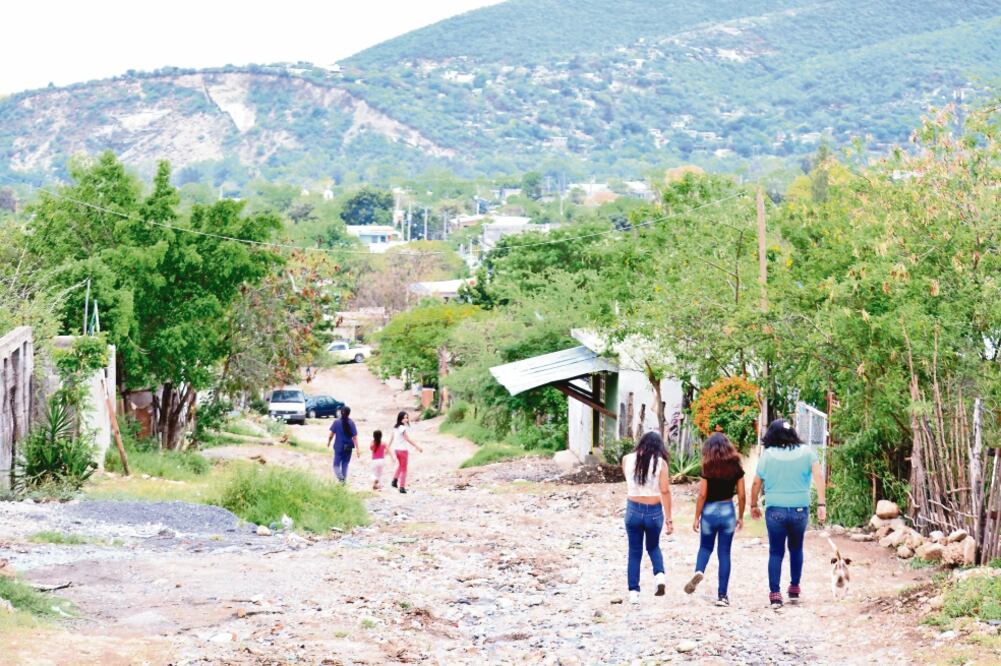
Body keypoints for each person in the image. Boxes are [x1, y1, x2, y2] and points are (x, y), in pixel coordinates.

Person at [750, 418, 827, 608]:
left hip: (775, 510)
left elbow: (756, 483)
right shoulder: (807, 452)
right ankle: (794, 587)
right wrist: (821, 504)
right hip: (800, 509)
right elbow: (818, 476)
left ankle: (775, 594)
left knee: (776, 551)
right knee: (796, 548)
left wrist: (753, 504)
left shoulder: (767, 455)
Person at [683, 431, 745, 607]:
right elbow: (741, 495)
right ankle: (722, 596)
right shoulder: (736, 466)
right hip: (727, 510)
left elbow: (702, 495)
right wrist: (740, 516)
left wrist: (696, 517)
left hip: (709, 511)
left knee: (705, 547)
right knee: (724, 553)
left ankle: (699, 570)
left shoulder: (707, 466)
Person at [621, 431, 674, 605]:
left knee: (634, 552)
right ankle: (659, 577)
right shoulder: (661, 464)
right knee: (653, 546)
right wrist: (669, 518)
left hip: (633, 509)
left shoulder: (627, 459)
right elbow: (665, 491)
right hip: (654, 511)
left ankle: (634, 593)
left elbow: (630, 482)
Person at [389, 411, 423, 494]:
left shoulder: (395, 427)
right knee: (404, 469)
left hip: (396, 450)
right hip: (403, 450)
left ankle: (394, 480)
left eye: (407, 417)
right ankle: (402, 487)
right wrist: (417, 446)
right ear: (400, 418)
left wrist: (388, 447)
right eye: (404, 418)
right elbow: (407, 439)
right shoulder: (402, 428)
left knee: (401, 466)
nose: (406, 419)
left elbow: (391, 438)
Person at [326, 405, 358, 483]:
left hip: (339, 446)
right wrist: (358, 449)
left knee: (336, 465)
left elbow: (331, 435)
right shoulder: (352, 423)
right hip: (349, 447)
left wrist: (329, 442)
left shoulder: (336, 422)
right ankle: (343, 483)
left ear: (341, 412)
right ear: (349, 413)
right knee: (345, 464)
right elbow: (355, 437)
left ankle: (341, 478)